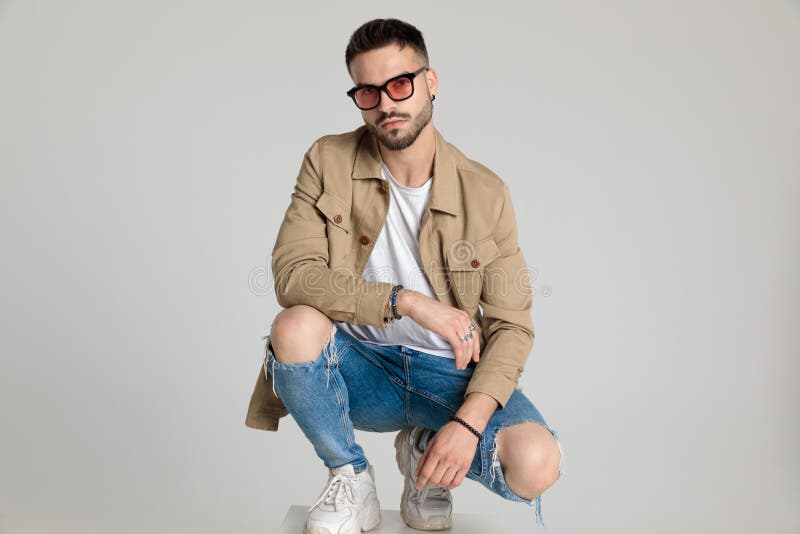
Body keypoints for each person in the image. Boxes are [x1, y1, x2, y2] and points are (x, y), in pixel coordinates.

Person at [245, 18, 564, 533]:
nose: (386, 104)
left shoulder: (486, 192)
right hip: (360, 368)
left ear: (430, 83)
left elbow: (513, 326)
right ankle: (352, 477)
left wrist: (465, 424)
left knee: (535, 463)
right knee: (294, 327)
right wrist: (408, 301)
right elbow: (294, 276)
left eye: (399, 85)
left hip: (449, 378)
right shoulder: (327, 160)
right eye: (368, 92)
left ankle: (423, 454)